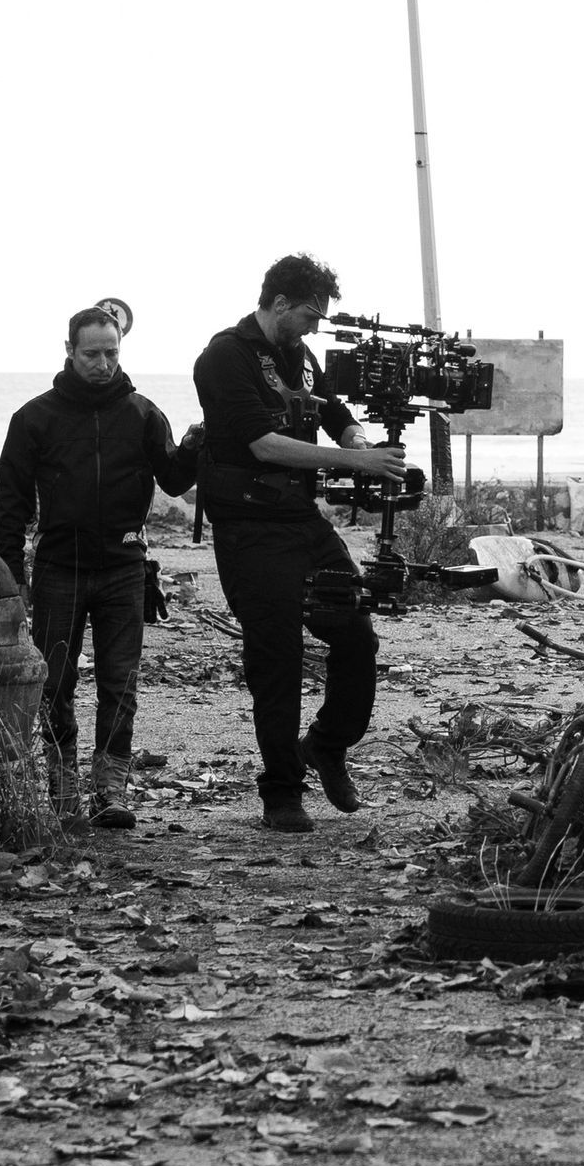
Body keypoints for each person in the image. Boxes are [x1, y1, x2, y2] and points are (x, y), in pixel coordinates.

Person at [192, 254, 406, 833]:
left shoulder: (301, 357)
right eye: (311, 314)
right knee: (277, 659)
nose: (316, 326)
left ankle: (327, 745)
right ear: (280, 303)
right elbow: (262, 443)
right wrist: (356, 462)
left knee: (356, 636)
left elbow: (335, 413)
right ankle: (282, 793)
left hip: (302, 521)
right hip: (249, 528)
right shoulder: (224, 356)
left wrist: (359, 441)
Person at [0, 304, 203, 832]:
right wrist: (11, 572)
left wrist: (196, 446)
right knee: (53, 683)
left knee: (120, 684)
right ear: (69, 351)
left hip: (125, 568)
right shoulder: (34, 417)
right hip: (58, 569)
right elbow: (11, 502)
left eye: (112, 352)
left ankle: (110, 791)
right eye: (92, 354)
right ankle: (63, 788)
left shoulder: (143, 414)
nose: (103, 363)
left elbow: (175, 480)